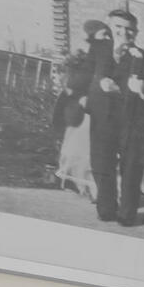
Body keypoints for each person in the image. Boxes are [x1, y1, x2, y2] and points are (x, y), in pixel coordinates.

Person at [84, 8, 144, 225]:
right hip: (102, 119)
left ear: (136, 32)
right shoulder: (96, 51)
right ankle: (106, 209)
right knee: (102, 164)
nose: (124, 32)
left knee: (132, 167)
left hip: (134, 122)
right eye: (118, 27)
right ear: (109, 28)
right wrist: (99, 84)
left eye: (130, 29)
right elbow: (83, 77)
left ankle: (127, 214)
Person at [53, 20, 108, 203]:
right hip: (84, 111)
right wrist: (82, 95)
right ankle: (89, 188)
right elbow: (75, 83)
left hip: (99, 107)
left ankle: (96, 189)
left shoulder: (106, 54)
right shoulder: (85, 56)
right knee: (83, 152)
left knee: (98, 152)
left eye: (108, 35)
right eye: (102, 35)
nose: (107, 38)